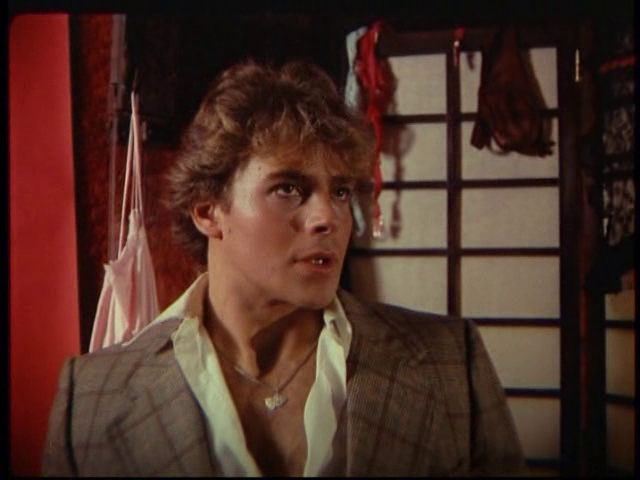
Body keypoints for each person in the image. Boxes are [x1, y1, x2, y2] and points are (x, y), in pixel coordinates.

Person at [42, 60, 526, 477]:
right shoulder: (92, 400)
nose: (329, 218)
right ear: (208, 211)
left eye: (341, 191)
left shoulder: (449, 363)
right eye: (289, 189)